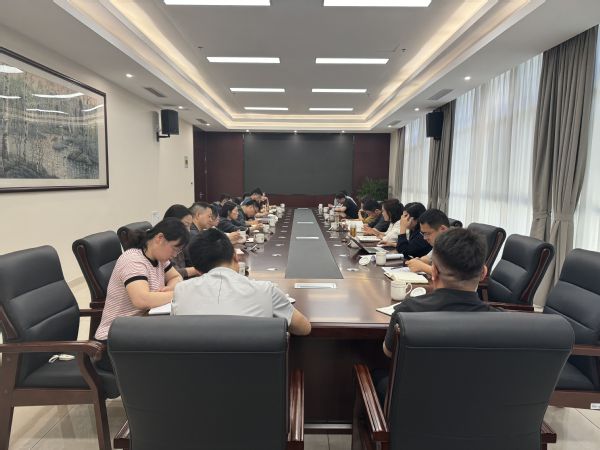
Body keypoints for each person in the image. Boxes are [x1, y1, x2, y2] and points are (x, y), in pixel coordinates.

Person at [373, 228, 498, 404]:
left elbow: (389, 352)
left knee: (376, 373)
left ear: (434, 272)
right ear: (483, 273)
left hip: (416, 406)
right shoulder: (503, 323)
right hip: (478, 407)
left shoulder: (408, 311)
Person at [172, 228, 312, 336]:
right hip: (252, 366)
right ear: (235, 256)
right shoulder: (265, 291)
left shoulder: (181, 291)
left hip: (196, 366)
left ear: (197, 270)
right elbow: (304, 328)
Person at [94, 218, 189, 370]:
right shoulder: (133, 260)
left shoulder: (159, 258)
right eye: (175, 249)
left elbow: (176, 277)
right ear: (160, 238)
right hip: (114, 340)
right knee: (177, 356)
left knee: (182, 345)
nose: (175, 255)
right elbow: (141, 300)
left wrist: (170, 288)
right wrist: (177, 293)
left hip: (139, 329)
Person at [405, 208, 450, 275]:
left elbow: (452, 276)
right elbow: (428, 258)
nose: (424, 238)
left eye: (428, 233)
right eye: (423, 233)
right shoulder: (440, 243)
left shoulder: (458, 244)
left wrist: (422, 267)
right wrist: (419, 261)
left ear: (442, 229)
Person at [163, 204, 198, 279]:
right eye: (185, 225)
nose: (188, 231)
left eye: (190, 226)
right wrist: (198, 270)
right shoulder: (164, 242)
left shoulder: (182, 241)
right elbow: (170, 273)